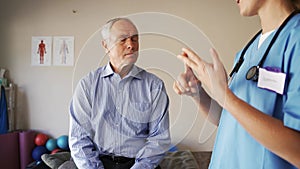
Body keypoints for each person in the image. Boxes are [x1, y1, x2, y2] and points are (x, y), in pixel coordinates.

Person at [173, 0, 300, 168]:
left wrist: (225, 96)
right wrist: (198, 94)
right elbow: (229, 119)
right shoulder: (246, 52)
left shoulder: (295, 39)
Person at [69, 17, 170, 169]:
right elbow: (79, 138)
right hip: (99, 162)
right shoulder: (87, 85)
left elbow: (159, 139)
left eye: (134, 39)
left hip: (140, 164)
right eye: (123, 39)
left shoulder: (154, 85)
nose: (131, 45)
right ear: (106, 45)